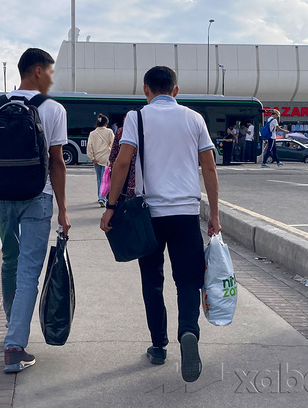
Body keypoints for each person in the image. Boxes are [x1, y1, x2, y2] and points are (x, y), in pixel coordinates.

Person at [100, 66, 221, 383]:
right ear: (176, 90)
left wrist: (110, 207)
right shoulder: (194, 118)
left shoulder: (136, 117)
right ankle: (188, 332)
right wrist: (215, 215)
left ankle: (158, 346)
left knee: (152, 282)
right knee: (188, 279)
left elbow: (122, 163)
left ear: (146, 90)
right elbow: (208, 167)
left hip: (148, 214)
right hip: (185, 213)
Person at [0, 48, 70, 374]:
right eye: (50, 72)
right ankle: (14, 347)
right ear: (37, 71)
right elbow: (57, 163)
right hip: (37, 196)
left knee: (10, 260)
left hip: (1, 197)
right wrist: (64, 210)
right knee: (29, 270)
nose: (52, 78)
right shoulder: (52, 109)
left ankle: (13, 325)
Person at [87, 113, 114, 207]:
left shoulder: (92, 133)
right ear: (106, 123)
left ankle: (100, 196)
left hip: (97, 159)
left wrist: (92, 158)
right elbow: (113, 144)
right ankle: (102, 197)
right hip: (106, 158)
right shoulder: (109, 132)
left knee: (99, 178)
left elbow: (89, 147)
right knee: (105, 179)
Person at [108, 122, 136, 201]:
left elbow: (114, 149)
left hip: (127, 170)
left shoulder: (121, 131)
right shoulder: (146, 129)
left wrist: (112, 160)